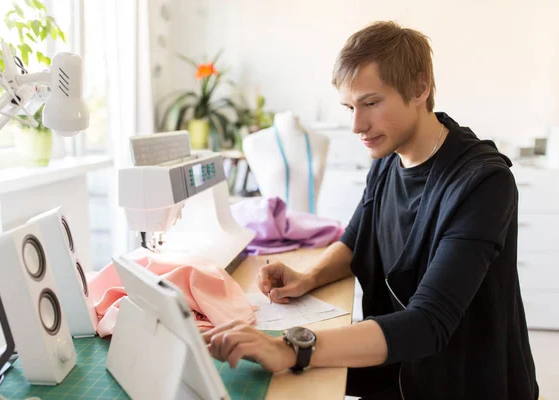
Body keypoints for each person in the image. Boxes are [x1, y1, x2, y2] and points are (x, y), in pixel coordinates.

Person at [202, 21, 539, 400]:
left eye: (371, 103)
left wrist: (292, 348)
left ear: (419, 88)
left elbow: (428, 323)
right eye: (349, 107)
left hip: (461, 382)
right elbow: (356, 240)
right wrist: (307, 277)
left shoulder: (481, 183)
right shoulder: (387, 156)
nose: (357, 125)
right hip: (398, 369)